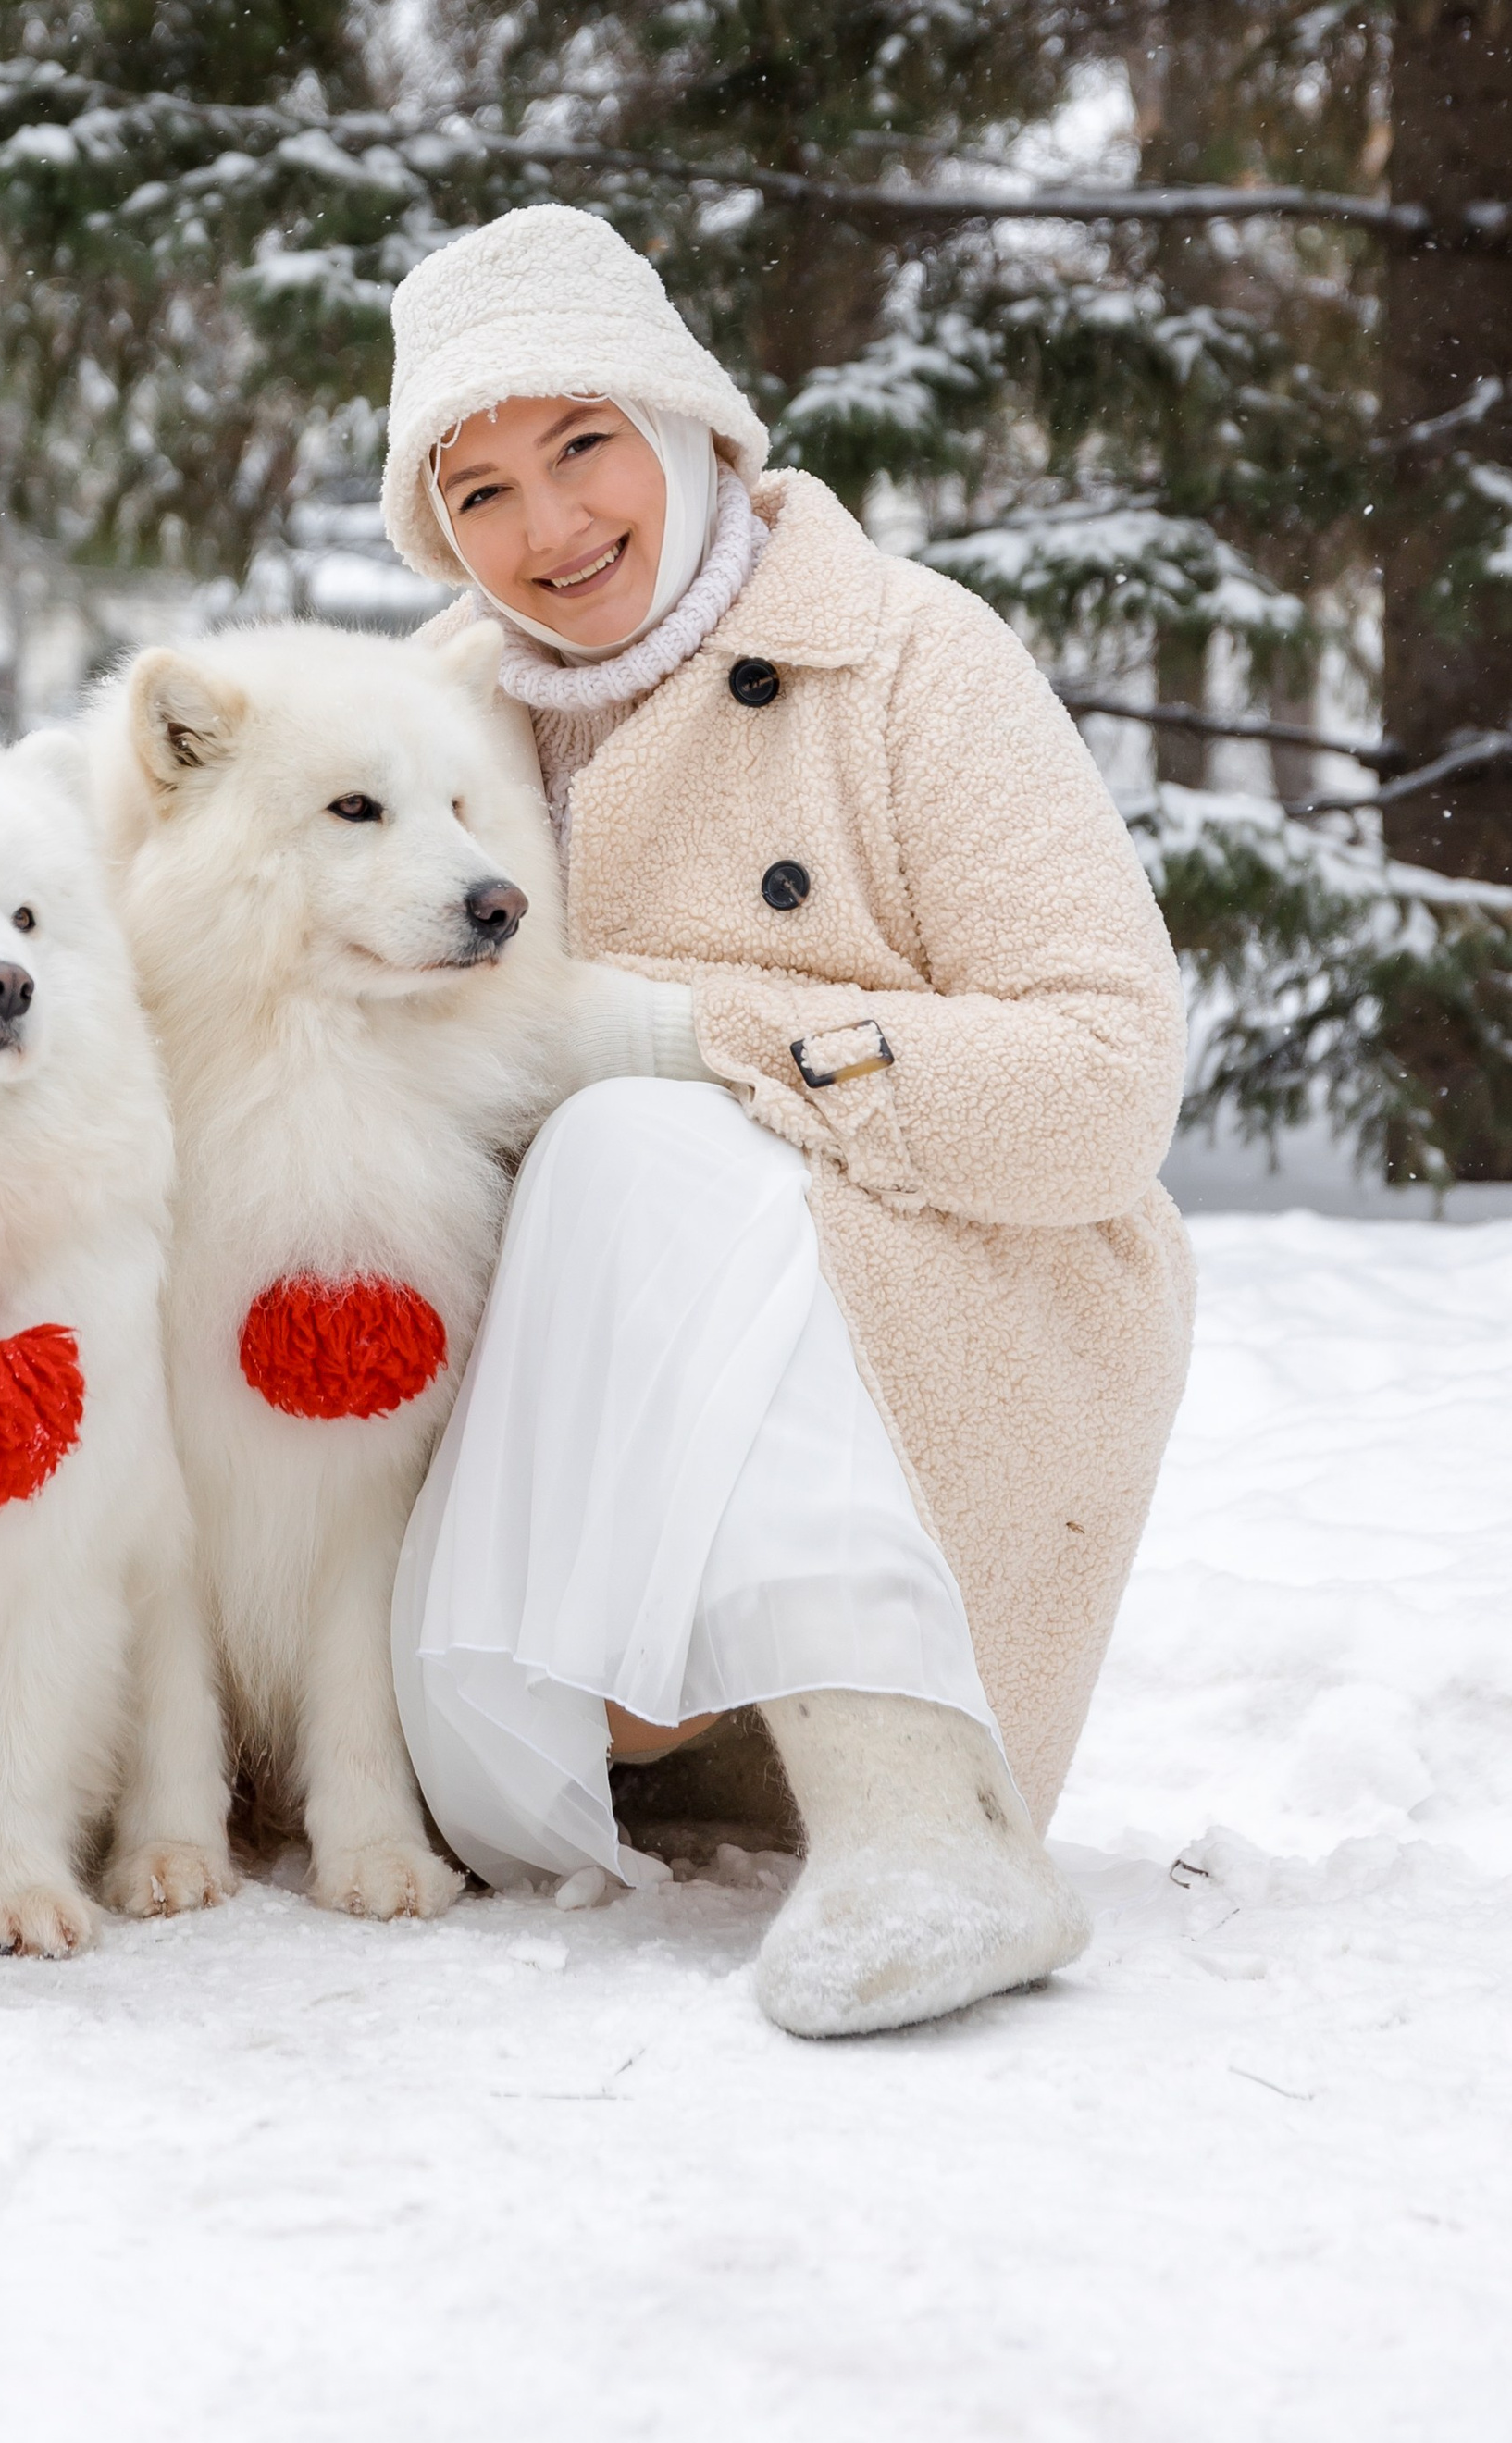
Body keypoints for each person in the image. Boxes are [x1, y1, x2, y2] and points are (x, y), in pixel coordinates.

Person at [380, 205, 1192, 2038]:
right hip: (555, 1457)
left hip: (931, 1336)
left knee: (626, 1135)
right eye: (479, 489)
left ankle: (918, 1821)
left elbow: (1100, 1085)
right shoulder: (419, 725)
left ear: (685, 427)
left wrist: (685, 1033)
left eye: (581, 446)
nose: (549, 529)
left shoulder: (901, 655)